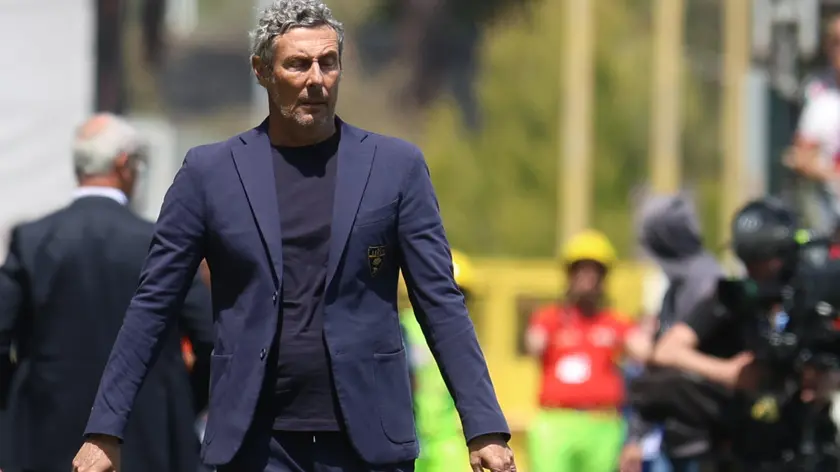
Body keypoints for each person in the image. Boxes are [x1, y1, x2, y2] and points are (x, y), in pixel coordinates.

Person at [72, 1, 514, 472]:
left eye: (329, 62)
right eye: (298, 64)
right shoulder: (210, 173)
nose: (316, 78)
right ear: (262, 71)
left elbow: (440, 301)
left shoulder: (396, 168)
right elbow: (153, 304)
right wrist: (104, 430)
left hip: (367, 442)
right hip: (254, 444)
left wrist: (484, 426)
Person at [0, 113, 214, 472]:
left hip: (45, 440)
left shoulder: (32, 240)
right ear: (124, 164)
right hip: (148, 442)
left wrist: (15, 410)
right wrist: (181, 403)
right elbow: (210, 337)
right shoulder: (160, 243)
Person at [651, 197, 837, 470]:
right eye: (747, 259)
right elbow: (667, 350)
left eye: (761, 258)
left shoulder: (814, 295)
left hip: (809, 442)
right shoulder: (731, 297)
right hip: (742, 446)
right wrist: (728, 372)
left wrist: (829, 379)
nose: (753, 269)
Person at [524, 229, 651, 472]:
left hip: (602, 423)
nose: (587, 279)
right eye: (581, 270)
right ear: (569, 274)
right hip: (555, 421)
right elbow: (533, 345)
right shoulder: (549, 318)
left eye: (594, 272)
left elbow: (644, 352)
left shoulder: (615, 322)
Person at [622, 192, 724, 472]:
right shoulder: (676, 286)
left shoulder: (706, 283)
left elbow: (671, 356)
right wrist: (636, 437)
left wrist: (650, 351)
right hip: (672, 433)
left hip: (705, 437)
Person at [398, 249, 475, 472]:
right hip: (409, 434)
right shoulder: (402, 327)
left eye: (462, 294)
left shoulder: (465, 336)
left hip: (447, 439)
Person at [786, 14, 840, 235]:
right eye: (836, 41)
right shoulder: (820, 98)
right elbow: (800, 157)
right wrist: (830, 174)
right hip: (831, 224)